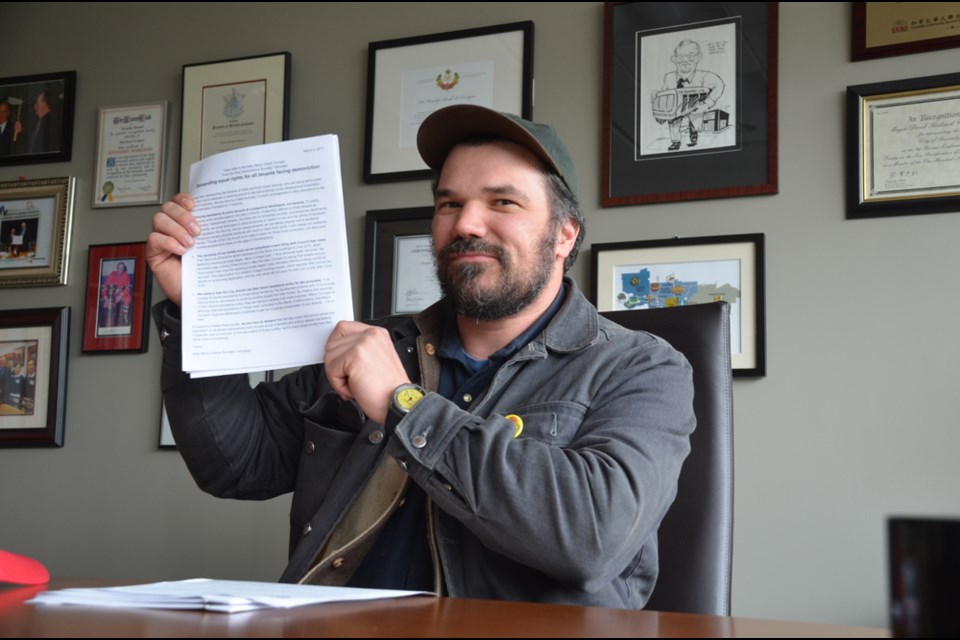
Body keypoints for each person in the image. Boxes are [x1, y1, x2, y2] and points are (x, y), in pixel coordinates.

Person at [148, 105, 695, 609]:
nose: (465, 224)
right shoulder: (377, 344)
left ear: (563, 234)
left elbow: (591, 535)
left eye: (502, 202)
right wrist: (197, 310)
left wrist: (402, 404)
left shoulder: (642, 369)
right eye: (449, 204)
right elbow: (237, 466)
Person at [657, 40, 724, 151]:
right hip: (675, 107)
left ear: (698, 58)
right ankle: (675, 142)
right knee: (674, 123)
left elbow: (719, 85)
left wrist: (707, 104)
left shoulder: (705, 75)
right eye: (681, 56)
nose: (685, 60)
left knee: (695, 122)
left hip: (695, 106)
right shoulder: (668, 77)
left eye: (690, 56)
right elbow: (663, 93)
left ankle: (693, 136)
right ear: (675, 59)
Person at [14, 91, 60, 155]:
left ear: (45, 104)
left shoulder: (52, 125)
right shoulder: (36, 122)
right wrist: (20, 131)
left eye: (37, 103)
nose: (35, 106)